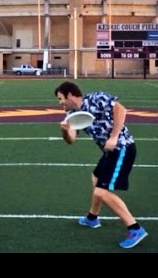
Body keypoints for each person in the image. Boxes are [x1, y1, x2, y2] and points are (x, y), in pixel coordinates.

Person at [54, 81, 148, 249]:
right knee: (96, 178)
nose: (60, 103)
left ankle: (135, 229)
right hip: (109, 152)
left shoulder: (96, 98)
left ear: (69, 95)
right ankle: (92, 217)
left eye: (60, 98)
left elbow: (121, 110)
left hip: (122, 148)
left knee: (101, 191)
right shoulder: (72, 114)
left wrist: (113, 137)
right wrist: (64, 130)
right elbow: (71, 140)